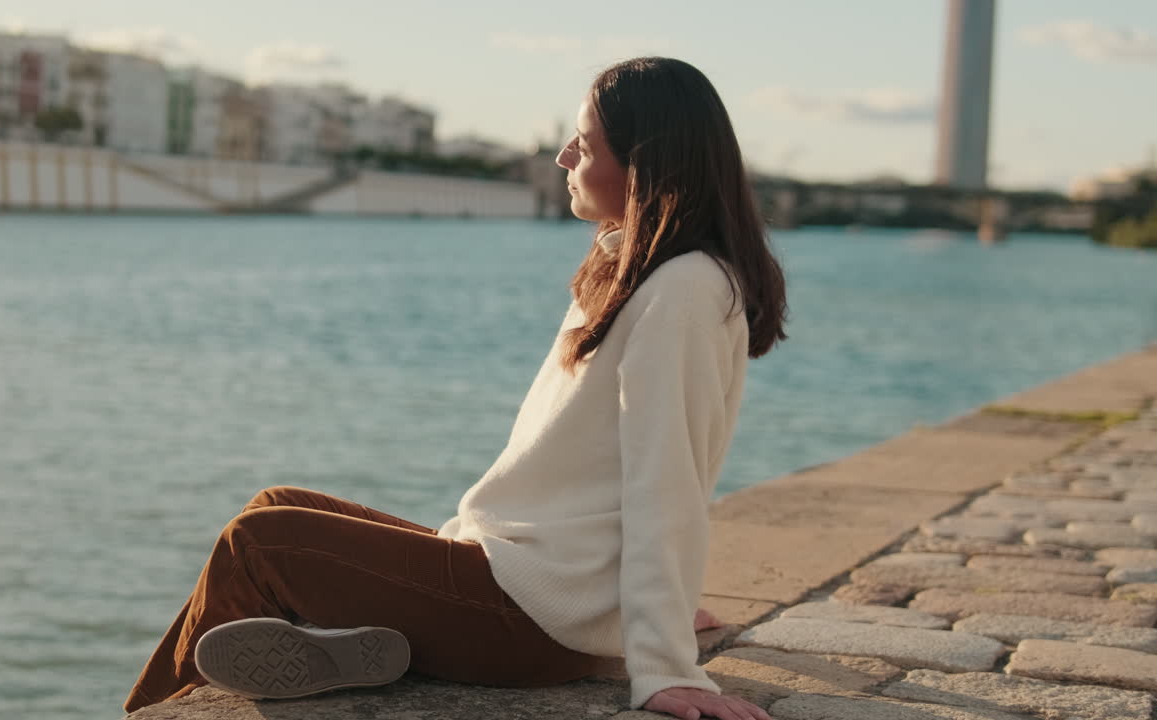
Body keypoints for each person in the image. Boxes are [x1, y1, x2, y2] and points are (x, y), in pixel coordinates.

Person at [123, 56, 787, 720]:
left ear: (644, 166)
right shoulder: (640, 269)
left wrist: (663, 655)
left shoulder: (684, 289)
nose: (561, 158)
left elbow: (667, 479)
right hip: (531, 581)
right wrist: (643, 600)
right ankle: (330, 650)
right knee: (276, 502)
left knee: (259, 544)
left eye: (582, 147)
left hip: (532, 617)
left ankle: (153, 710)